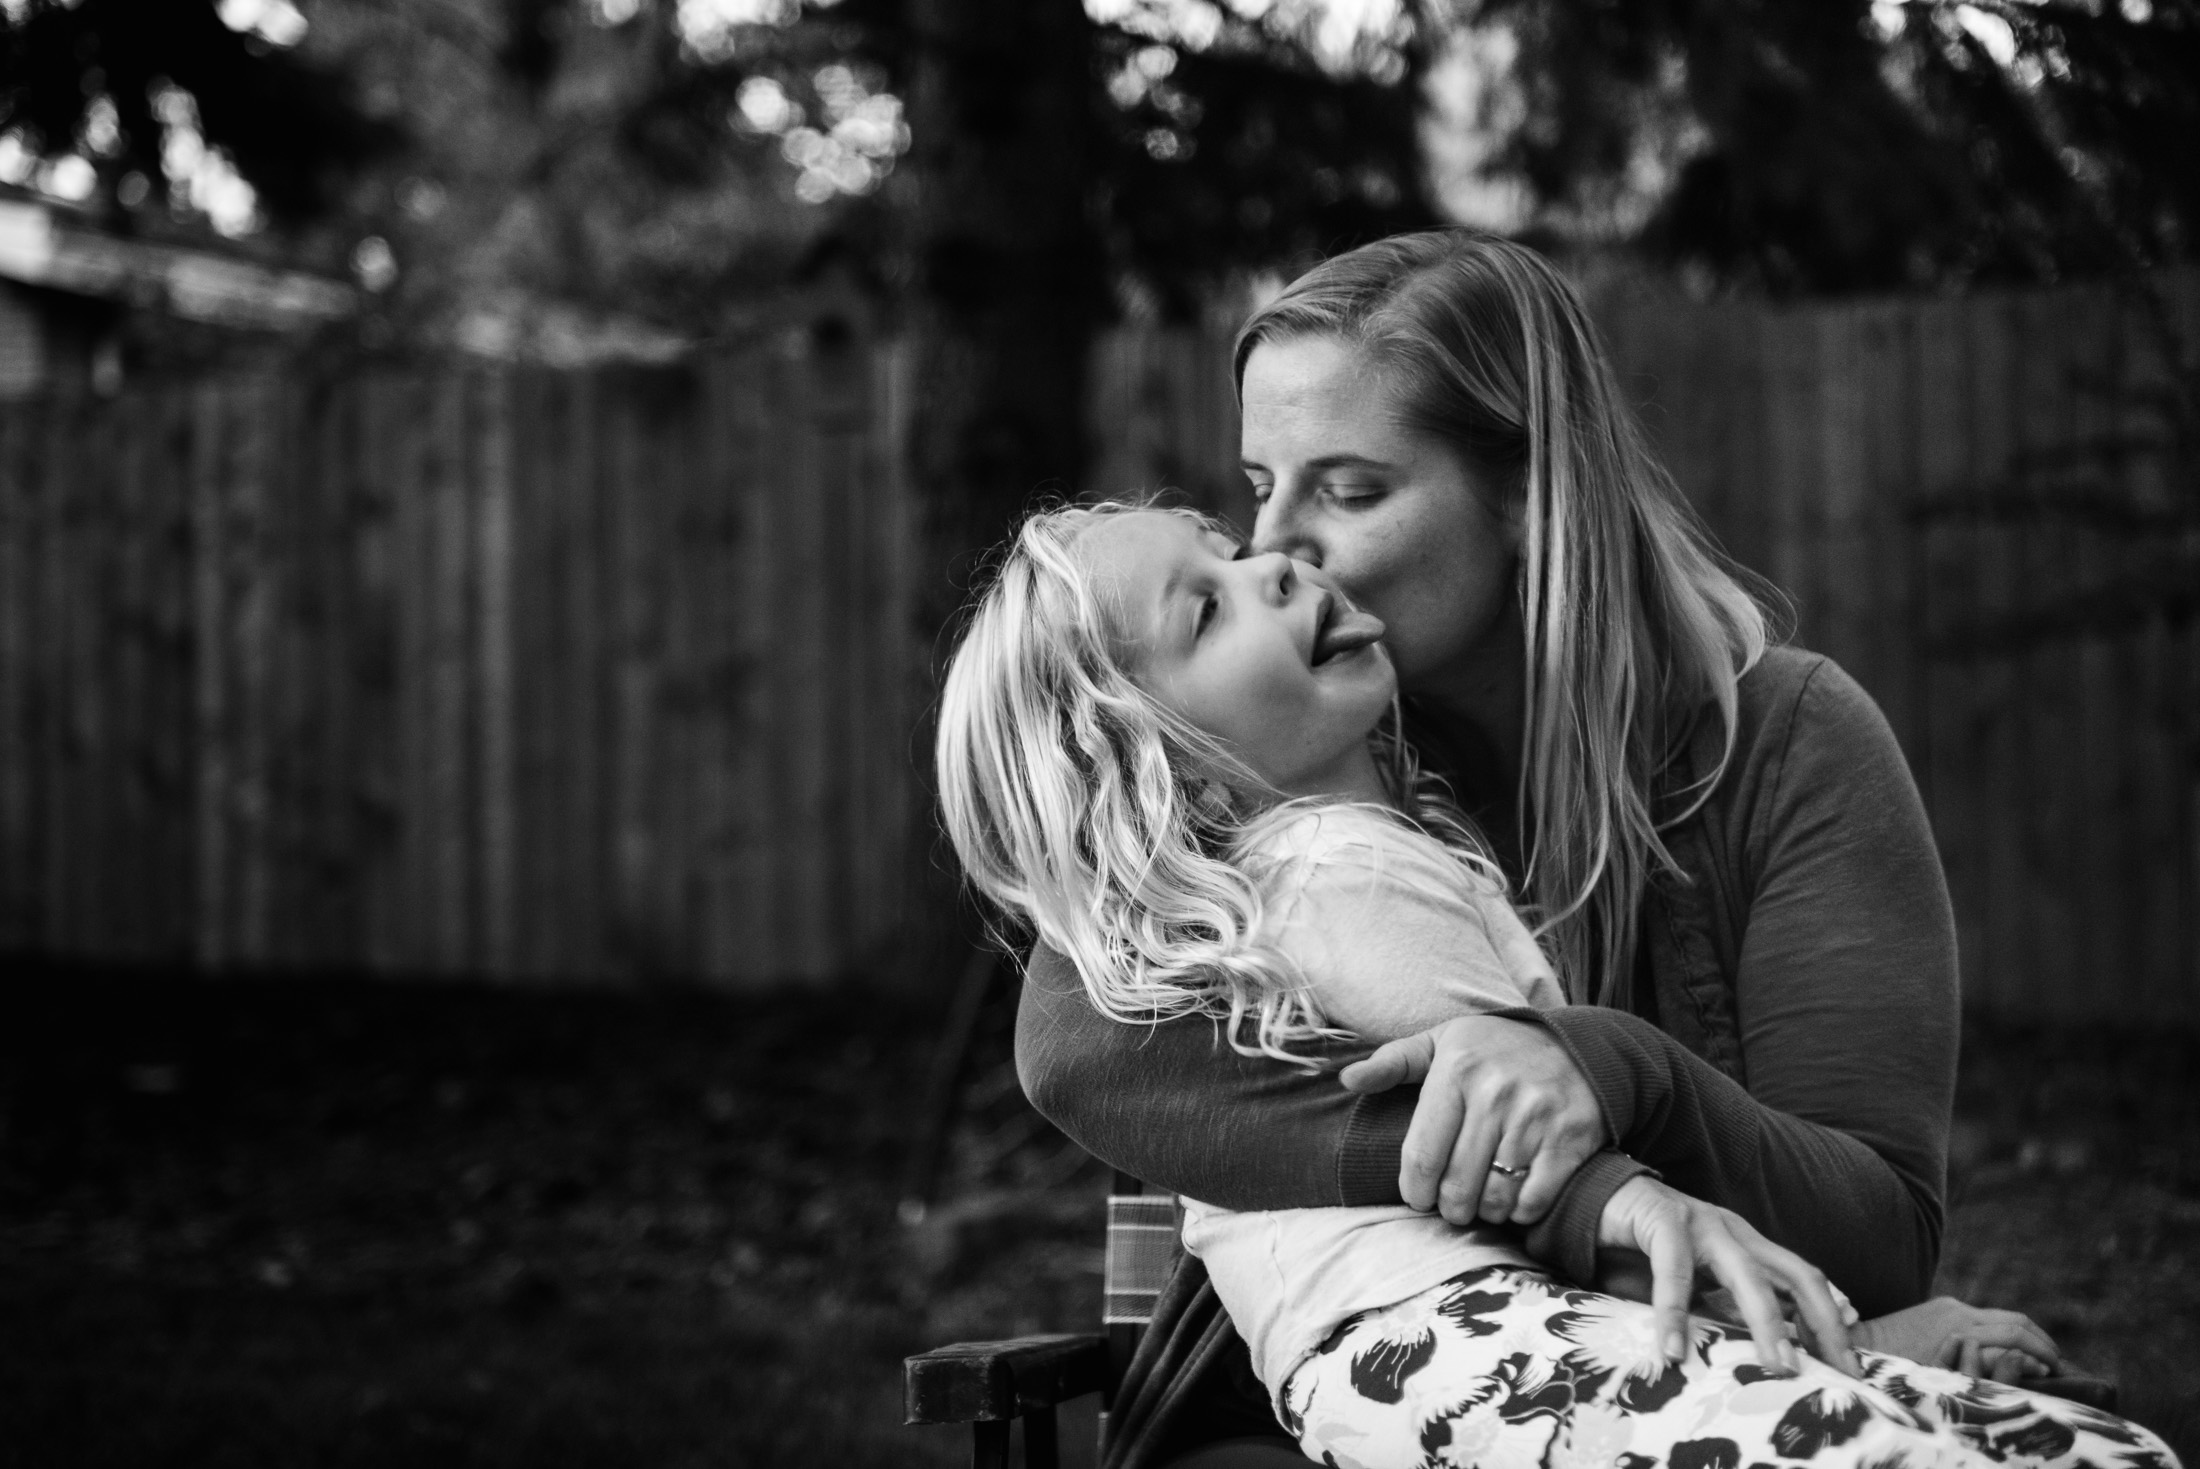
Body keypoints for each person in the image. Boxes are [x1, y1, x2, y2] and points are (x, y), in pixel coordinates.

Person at [1008, 231, 2074, 1461]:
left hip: (1683, 1383)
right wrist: (1535, 1169)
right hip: (1299, 1419)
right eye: (1260, 485)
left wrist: (1611, 1070)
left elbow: (1877, 1232)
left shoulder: (1784, 745)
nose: (1273, 547)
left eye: (1348, 492)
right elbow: (1076, 1044)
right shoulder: (1276, 743)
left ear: (1527, 491)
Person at [933, 499, 2175, 1469]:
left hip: (1480, 1343)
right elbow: (1525, 1174)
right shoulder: (1322, 868)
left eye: (1348, 490)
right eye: (1208, 603)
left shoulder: (1352, 855)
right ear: (1176, 780)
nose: (1279, 552)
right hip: (1448, 1342)